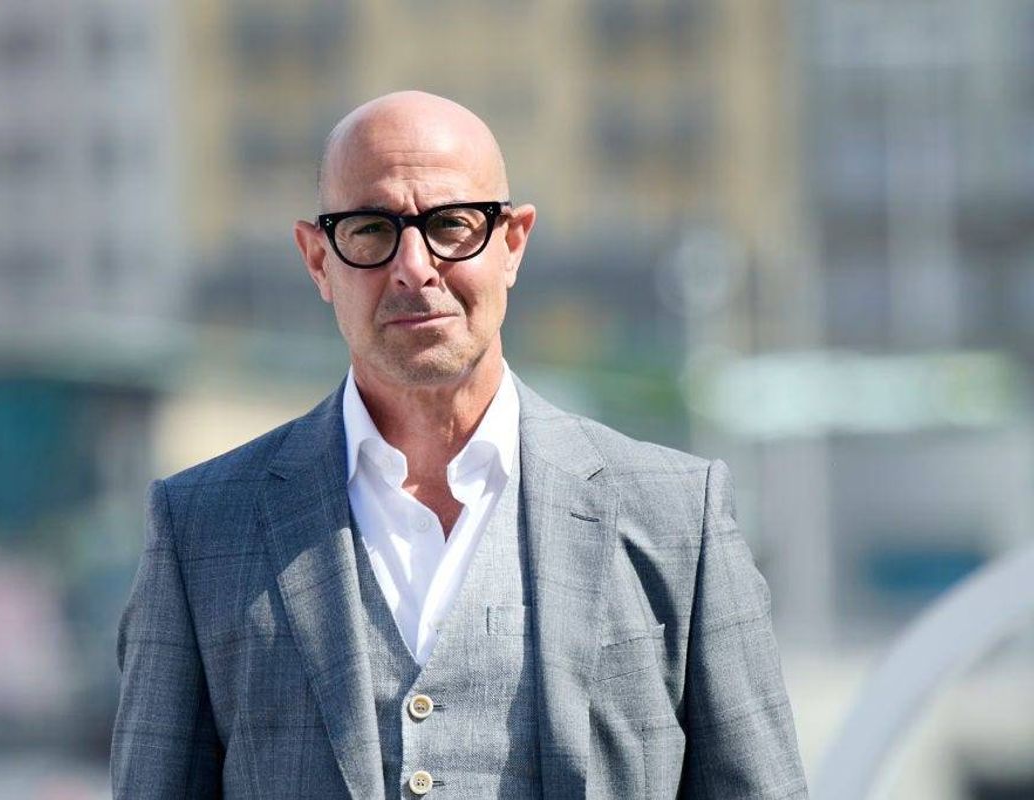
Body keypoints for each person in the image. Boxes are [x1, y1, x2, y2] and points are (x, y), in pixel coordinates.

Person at [111, 91, 808, 799]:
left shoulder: (676, 518)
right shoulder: (200, 528)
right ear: (318, 259)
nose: (414, 266)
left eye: (451, 224)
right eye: (371, 230)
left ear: (513, 243)